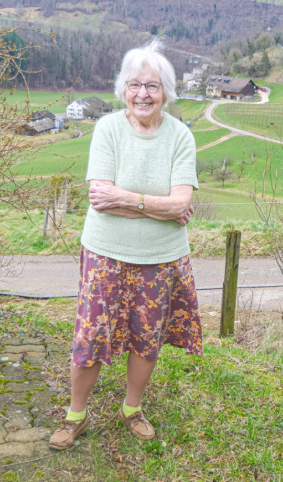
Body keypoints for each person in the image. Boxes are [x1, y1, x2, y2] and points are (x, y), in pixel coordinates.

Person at [48, 39, 203, 450]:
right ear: (123, 89)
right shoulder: (107, 129)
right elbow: (101, 197)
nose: (143, 94)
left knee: (146, 338)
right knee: (90, 336)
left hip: (161, 257)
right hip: (105, 253)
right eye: (135, 85)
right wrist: (160, 207)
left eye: (152, 86)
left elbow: (182, 203)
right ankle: (75, 415)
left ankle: (131, 408)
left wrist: (127, 199)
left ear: (165, 92)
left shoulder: (180, 137)